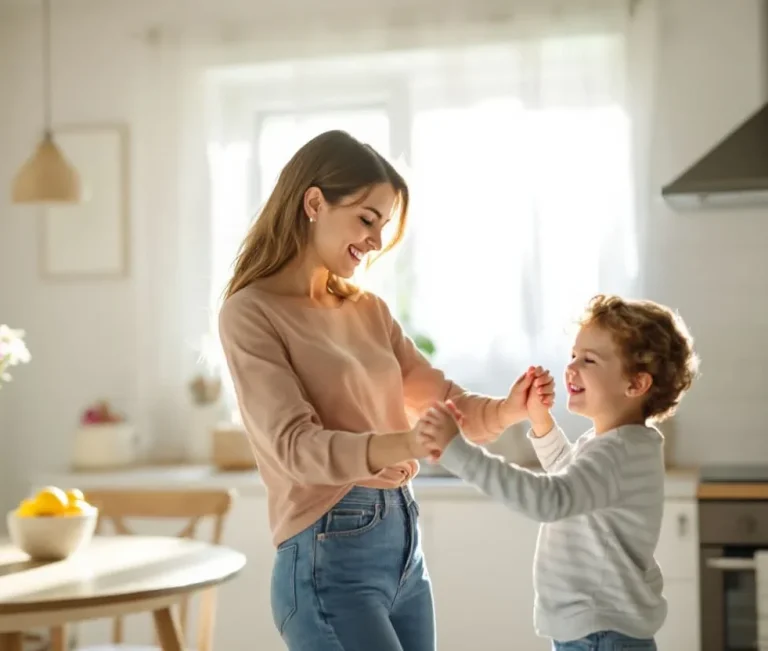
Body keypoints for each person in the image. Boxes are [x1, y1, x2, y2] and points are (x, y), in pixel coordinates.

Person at [217, 129, 554, 651]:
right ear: (313, 202)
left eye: (384, 226)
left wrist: (511, 408)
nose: (376, 240)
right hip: (326, 552)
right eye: (366, 219)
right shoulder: (251, 312)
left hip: (402, 542)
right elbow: (296, 450)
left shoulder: (367, 309)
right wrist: (411, 443)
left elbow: (446, 403)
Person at [415, 294, 700, 651]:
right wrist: (539, 418)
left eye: (589, 359)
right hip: (601, 631)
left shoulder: (615, 452)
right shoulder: (621, 445)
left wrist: (460, 453)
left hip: (599, 635)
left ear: (636, 384)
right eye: (573, 356)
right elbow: (570, 478)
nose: (572, 367)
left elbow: (552, 500)